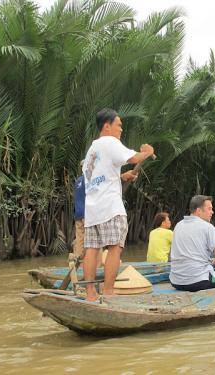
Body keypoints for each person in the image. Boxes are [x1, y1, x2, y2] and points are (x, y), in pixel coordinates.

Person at [82, 108, 154, 301]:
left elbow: (99, 178)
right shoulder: (110, 142)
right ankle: (108, 292)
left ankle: (90, 293)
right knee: (115, 247)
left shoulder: (92, 151)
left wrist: (123, 176)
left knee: (92, 249)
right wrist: (147, 152)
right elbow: (133, 158)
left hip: (92, 210)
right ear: (107, 126)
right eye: (119, 125)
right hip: (110, 209)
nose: (121, 130)